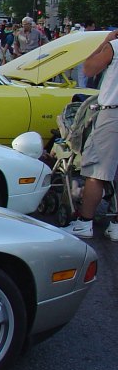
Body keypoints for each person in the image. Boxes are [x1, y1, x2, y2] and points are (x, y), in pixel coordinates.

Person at [65, 29, 118, 240]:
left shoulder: (114, 47)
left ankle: (84, 223)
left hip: (113, 114)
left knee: (96, 171)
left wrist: (106, 41)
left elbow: (88, 69)